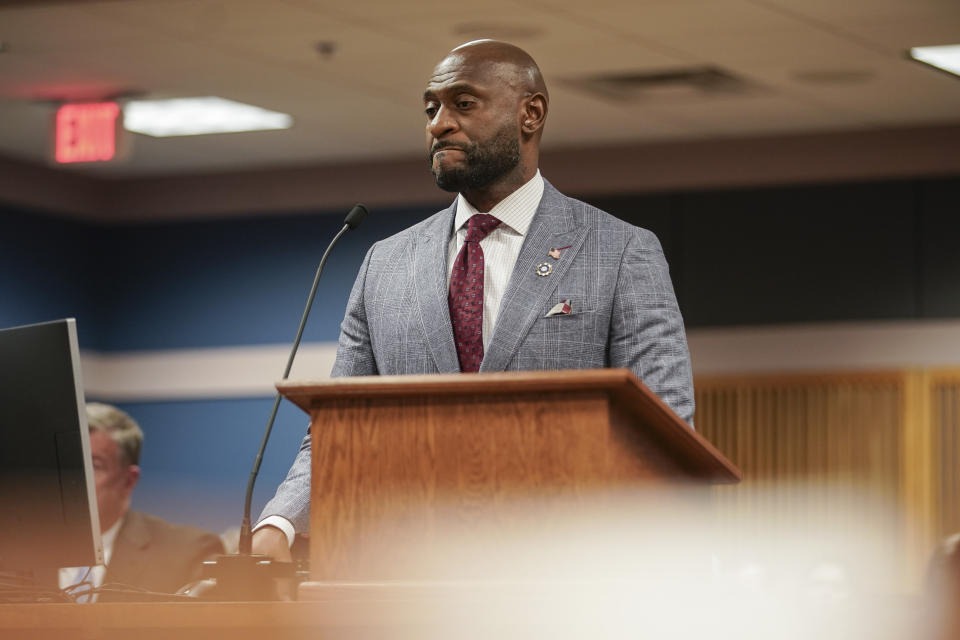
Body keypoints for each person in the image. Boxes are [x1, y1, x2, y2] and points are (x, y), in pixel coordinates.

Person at [252, 40, 695, 562]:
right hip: (410, 570)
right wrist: (278, 524)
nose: (439, 124)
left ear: (531, 114)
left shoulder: (619, 250)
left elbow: (664, 423)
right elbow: (339, 429)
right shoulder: (385, 263)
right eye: (431, 108)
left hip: (569, 568)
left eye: (463, 104)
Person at [58, 403, 224, 602]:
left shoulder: (188, 552)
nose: (75, 479)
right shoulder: (16, 554)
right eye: (68, 463)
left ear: (129, 481)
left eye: (94, 465)